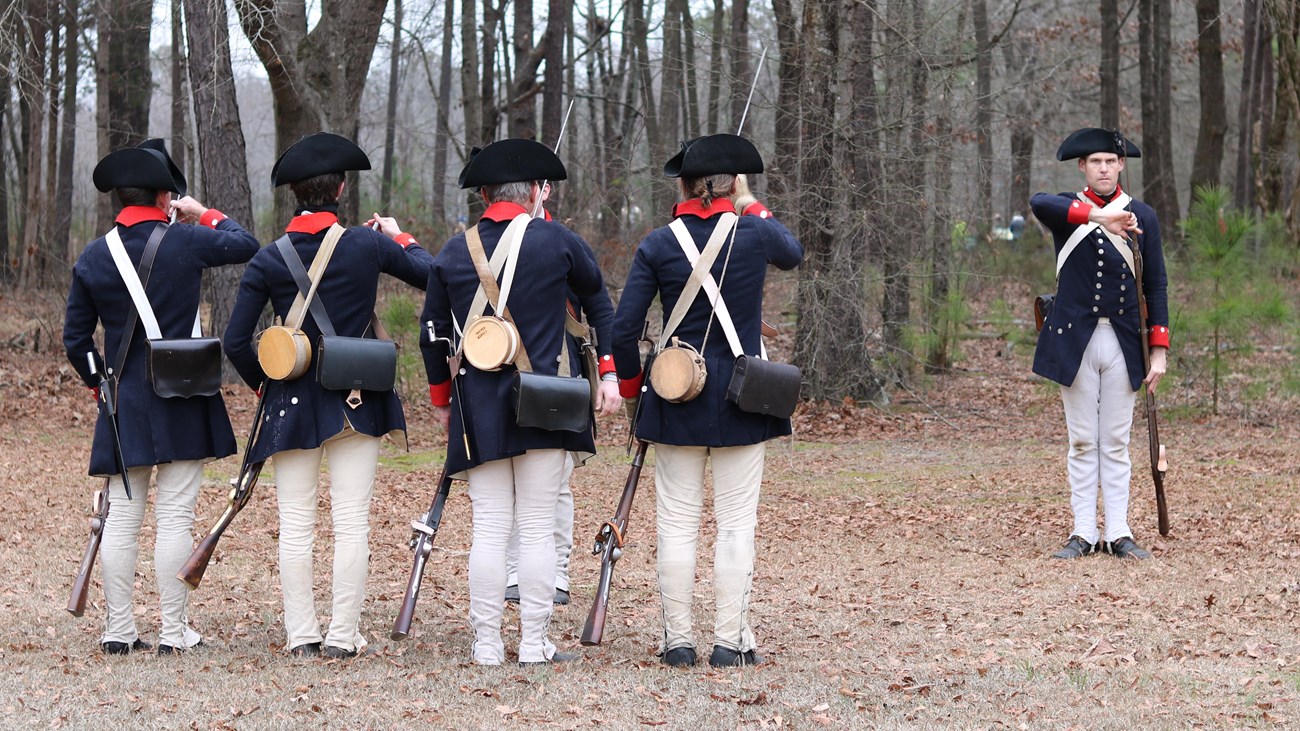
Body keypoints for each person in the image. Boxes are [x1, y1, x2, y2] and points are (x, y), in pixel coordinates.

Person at [223, 133, 434, 658]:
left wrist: (263, 384)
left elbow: (234, 341)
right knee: (350, 522)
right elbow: (434, 274)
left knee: (296, 525)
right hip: (356, 399)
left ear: (296, 193)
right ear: (340, 189)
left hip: (290, 402)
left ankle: (302, 636)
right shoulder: (367, 244)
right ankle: (343, 638)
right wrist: (399, 236)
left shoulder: (269, 259)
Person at [611, 134, 803, 668]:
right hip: (744, 395)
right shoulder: (756, 230)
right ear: (733, 185)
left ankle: (677, 642)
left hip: (675, 395)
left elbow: (624, 332)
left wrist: (632, 396)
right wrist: (750, 203)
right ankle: (730, 641)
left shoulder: (657, 243)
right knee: (736, 523)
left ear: (684, 185)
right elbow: (794, 251)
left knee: (676, 523)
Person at [63, 138, 259, 655]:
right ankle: (174, 632)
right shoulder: (187, 239)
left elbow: (75, 340)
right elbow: (246, 244)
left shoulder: (92, 255)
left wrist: (97, 382)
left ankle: (119, 630)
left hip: (123, 402)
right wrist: (204, 214)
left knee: (122, 521)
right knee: (175, 518)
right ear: (163, 197)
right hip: (183, 394)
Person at [419, 139, 608, 666]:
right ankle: (532, 644)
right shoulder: (559, 241)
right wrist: (608, 370)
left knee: (489, 528)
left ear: (483, 194)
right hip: (545, 400)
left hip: (477, 407)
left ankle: (485, 646)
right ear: (532, 193)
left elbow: (430, 333)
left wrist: (441, 400)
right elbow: (600, 303)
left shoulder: (454, 251)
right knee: (537, 527)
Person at [1030, 127, 1169, 561]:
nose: (1103, 168)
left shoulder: (1142, 215)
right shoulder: (1069, 211)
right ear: (1083, 168)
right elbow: (1039, 202)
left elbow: (1157, 285)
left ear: (1121, 165)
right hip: (1076, 342)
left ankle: (1119, 532)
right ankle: (1083, 532)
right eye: (1095, 162)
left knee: (1115, 442)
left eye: (1110, 161)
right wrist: (1098, 218)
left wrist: (1159, 350)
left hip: (1125, 342)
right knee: (1082, 441)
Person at [504, 183, 621, 607]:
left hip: (560, 371)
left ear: (544, 191)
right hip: (500, 372)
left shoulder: (564, 242)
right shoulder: (489, 239)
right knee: (508, 483)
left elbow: (600, 306)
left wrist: (608, 371)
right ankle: (516, 572)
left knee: (557, 484)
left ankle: (556, 574)